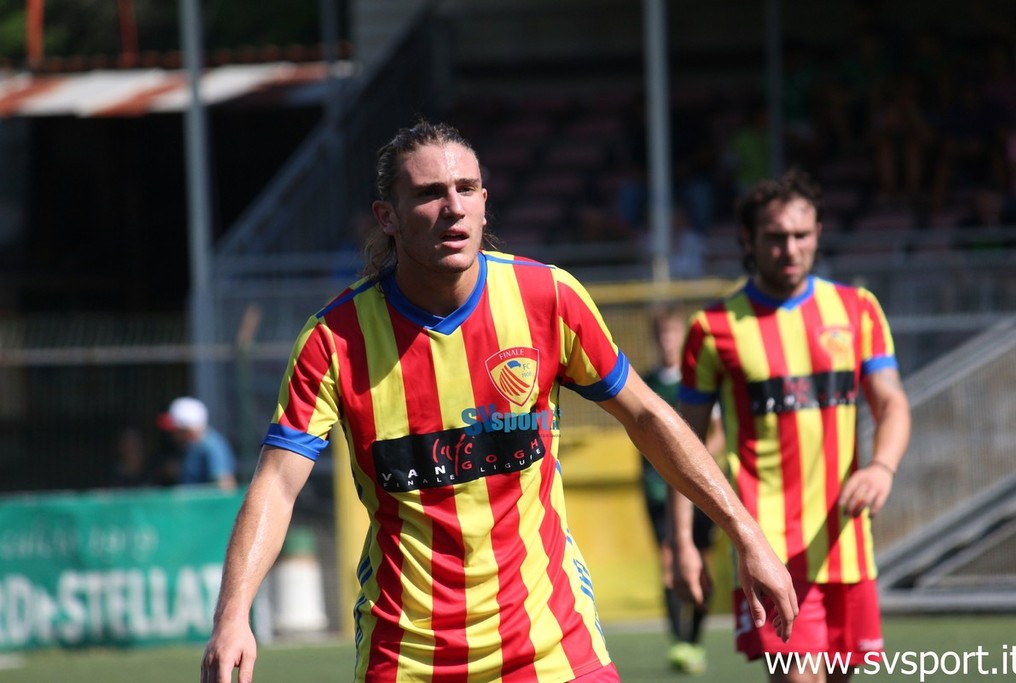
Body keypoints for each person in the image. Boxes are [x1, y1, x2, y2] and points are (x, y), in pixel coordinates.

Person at [199, 120, 797, 683]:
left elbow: (646, 415)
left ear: (485, 202)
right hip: (408, 656)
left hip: (553, 644)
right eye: (429, 193)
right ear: (388, 217)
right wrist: (232, 614)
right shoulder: (334, 339)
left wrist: (746, 535)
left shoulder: (548, 297)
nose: (453, 207)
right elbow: (277, 484)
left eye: (466, 189)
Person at [671, 169, 911, 682]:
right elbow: (680, 443)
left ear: (818, 233)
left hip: (848, 547)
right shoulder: (712, 329)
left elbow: (891, 402)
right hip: (768, 551)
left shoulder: (858, 310)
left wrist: (882, 468)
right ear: (748, 239)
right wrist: (684, 543)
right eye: (776, 237)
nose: (790, 249)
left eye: (801, 235)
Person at [638, 305, 725, 675]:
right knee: (669, 562)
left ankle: (693, 640)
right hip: (658, 490)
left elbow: (718, 434)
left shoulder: (696, 381)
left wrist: (689, 458)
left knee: (700, 565)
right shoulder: (644, 383)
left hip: (698, 489)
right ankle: (679, 643)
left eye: (673, 333)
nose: (668, 341)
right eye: (662, 334)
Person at [157, 396, 238, 491]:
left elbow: (225, 486)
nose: (173, 434)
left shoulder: (212, 447)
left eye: (177, 430)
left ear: (189, 430)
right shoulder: (189, 447)